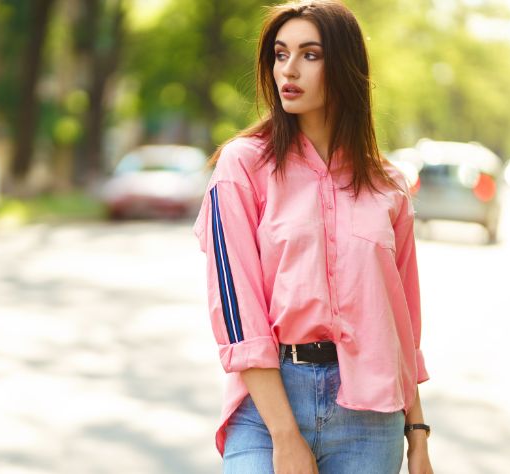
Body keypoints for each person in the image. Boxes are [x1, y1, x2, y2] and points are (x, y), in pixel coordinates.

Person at [192, 1, 433, 472]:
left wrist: (417, 432)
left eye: (310, 55)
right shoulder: (243, 166)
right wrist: (285, 435)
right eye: (281, 54)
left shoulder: (388, 185)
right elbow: (239, 314)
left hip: (370, 418)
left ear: (343, 66)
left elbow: (402, 323)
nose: (289, 69)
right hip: (267, 408)